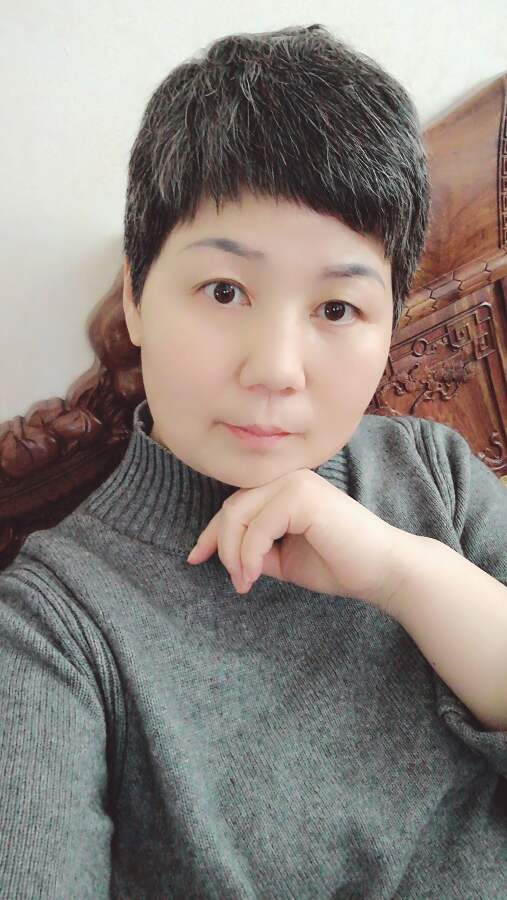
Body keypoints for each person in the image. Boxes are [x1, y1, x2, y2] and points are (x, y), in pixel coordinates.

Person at [1, 23, 506, 899]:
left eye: (337, 309)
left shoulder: (432, 472)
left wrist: (401, 575)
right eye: (225, 290)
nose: (275, 369)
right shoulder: (55, 631)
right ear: (136, 296)